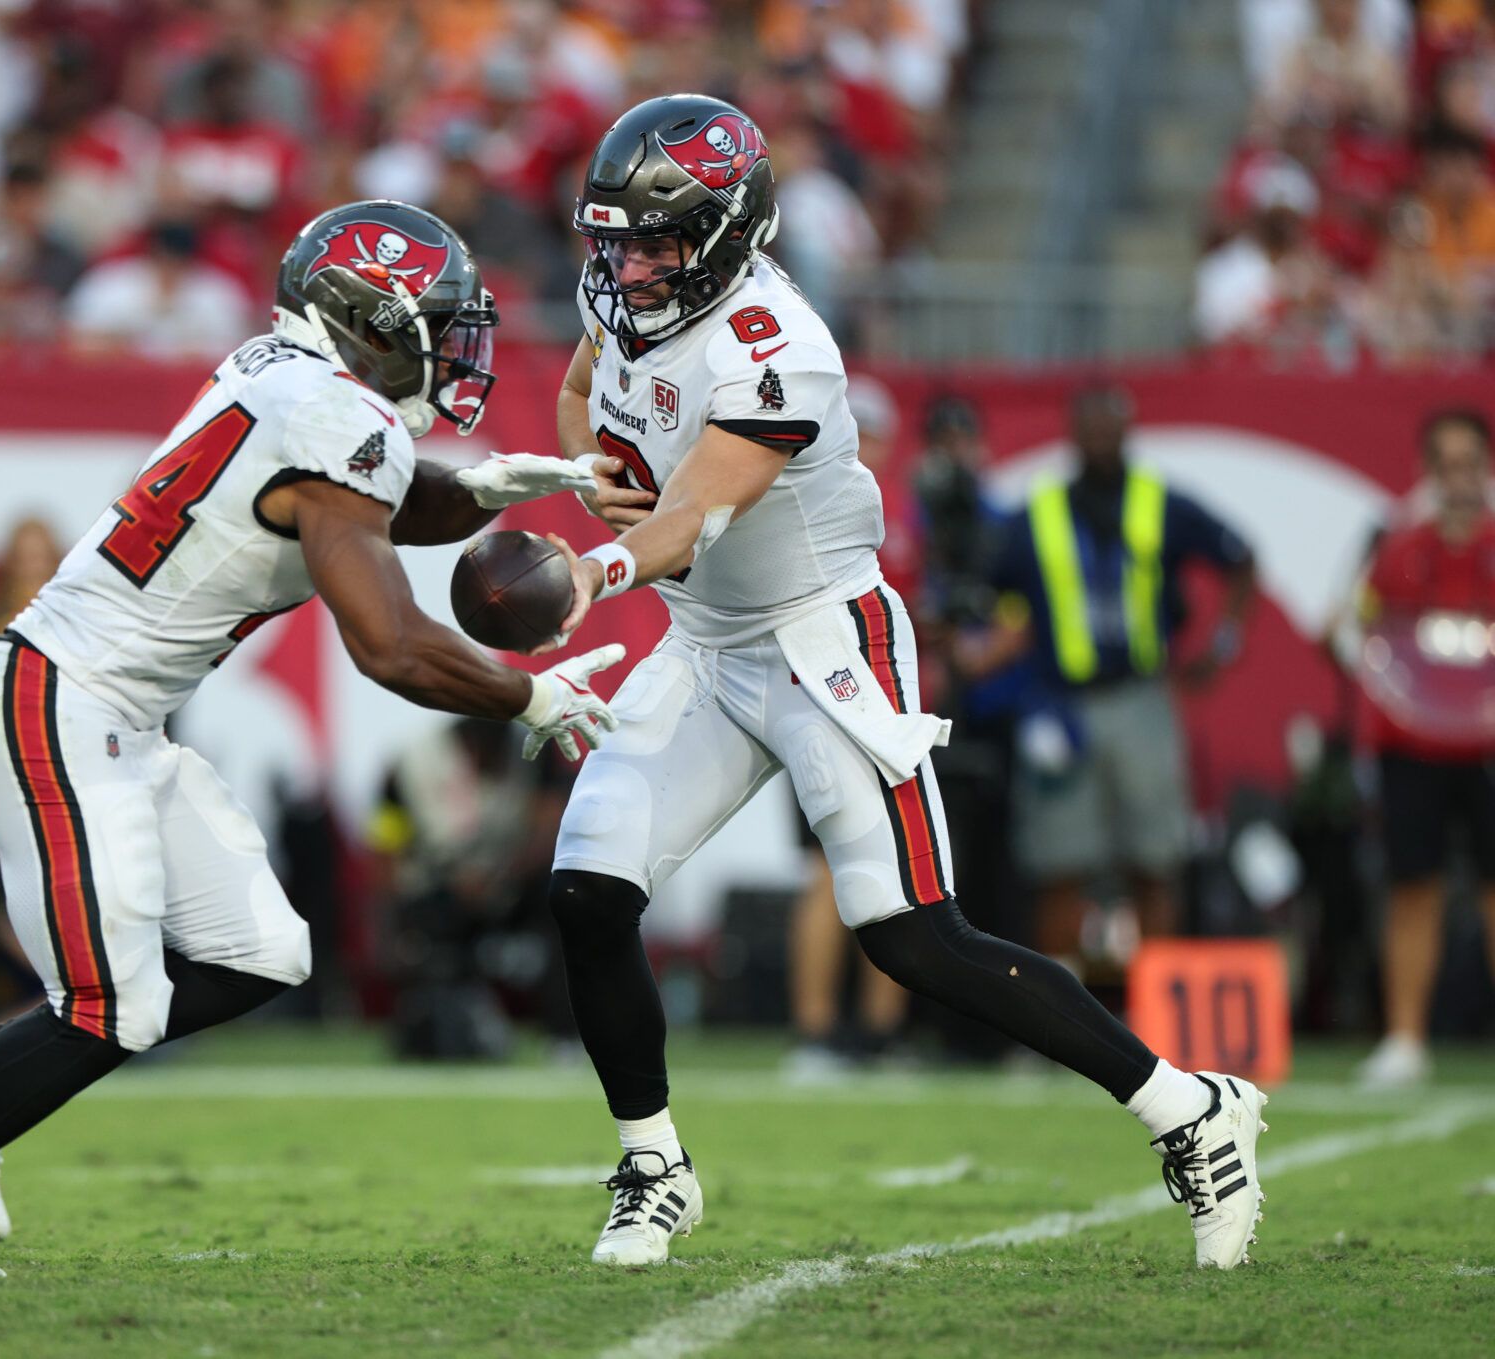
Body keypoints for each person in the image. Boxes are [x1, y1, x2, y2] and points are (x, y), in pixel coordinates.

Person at [0, 199, 619, 1279]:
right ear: (372, 317)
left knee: (263, 952)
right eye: (438, 319)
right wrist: (529, 699)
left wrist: (474, 489)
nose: (455, 343)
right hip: (61, 699)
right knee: (112, 1006)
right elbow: (387, 643)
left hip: (104, 710)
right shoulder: (338, 418)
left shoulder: (281, 374)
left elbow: (359, 496)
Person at [544, 94, 1267, 1271]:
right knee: (585, 891)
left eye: (655, 240)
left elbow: (699, 510)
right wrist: (592, 478)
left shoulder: (780, 345)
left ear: (733, 233)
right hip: (704, 641)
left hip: (822, 641)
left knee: (913, 934)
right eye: (614, 238)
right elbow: (590, 396)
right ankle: (653, 1167)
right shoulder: (618, 295)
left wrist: (601, 559)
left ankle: (1187, 1109)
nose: (629, 266)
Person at [986, 385, 1258, 965]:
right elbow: (994, 592)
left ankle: (1154, 1019)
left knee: (1154, 858)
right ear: (1073, 433)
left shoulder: (1159, 503)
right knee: (1061, 863)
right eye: (1092, 426)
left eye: (1113, 425)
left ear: (1129, 430)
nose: (1102, 437)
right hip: (1060, 704)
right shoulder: (1039, 513)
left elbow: (1240, 557)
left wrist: (1222, 644)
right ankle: (1058, 1018)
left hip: (1140, 697)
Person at [1352, 409, 1495, 1088]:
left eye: (1472, 463)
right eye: (1448, 465)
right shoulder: (1398, 549)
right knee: (1414, 884)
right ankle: (1405, 1038)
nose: (1461, 479)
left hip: (1490, 744)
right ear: (1429, 473)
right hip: (1411, 742)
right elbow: (1364, 636)